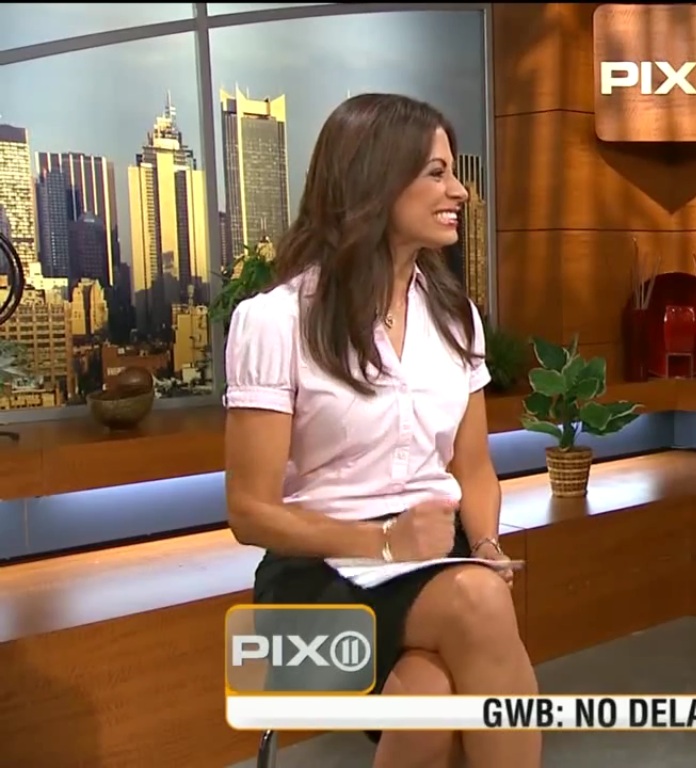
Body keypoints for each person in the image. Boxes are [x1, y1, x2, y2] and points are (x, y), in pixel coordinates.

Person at [223, 93, 540, 768]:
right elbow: (249, 513)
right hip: (312, 587)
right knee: (477, 605)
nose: (459, 191)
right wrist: (386, 541)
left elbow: (473, 468)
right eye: (435, 173)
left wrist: (485, 542)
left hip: (437, 564)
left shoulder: (455, 318)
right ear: (376, 181)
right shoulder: (275, 321)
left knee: (429, 700)